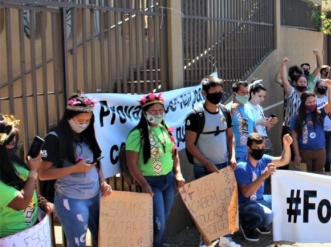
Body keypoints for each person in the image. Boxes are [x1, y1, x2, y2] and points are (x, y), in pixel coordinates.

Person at [39, 95, 111, 247]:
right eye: (80, 121)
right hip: (71, 199)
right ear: (69, 118)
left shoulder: (88, 134)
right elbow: (43, 174)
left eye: (87, 121)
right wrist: (75, 169)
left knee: (104, 239)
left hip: (95, 195)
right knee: (78, 243)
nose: (84, 124)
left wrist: (103, 182)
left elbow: (96, 162)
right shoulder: (55, 138)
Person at [184, 77, 240, 247]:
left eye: (219, 91)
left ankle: (225, 238)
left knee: (226, 202)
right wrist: (207, 163)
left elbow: (230, 136)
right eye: (213, 91)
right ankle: (205, 240)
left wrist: (232, 156)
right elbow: (190, 144)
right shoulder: (195, 114)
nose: (218, 94)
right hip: (203, 167)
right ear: (204, 92)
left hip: (224, 165)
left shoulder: (224, 111)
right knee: (205, 206)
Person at [125, 93, 185, 247]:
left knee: (163, 219)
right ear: (145, 113)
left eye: (160, 110)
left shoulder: (166, 129)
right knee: (157, 223)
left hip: (168, 180)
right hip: (151, 183)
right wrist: (144, 184)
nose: (158, 114)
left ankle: (159, 244)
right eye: (154, 111)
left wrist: (178, 173)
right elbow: (131, 163)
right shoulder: (136, 134)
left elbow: (174, 154)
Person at [0, 115, 54, 238]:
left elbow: (25, 186)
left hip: (34, 231)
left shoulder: (11, 161)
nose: (14, 147)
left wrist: (41, 201)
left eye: (15, 143)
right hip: (13, 237)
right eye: (10, 144)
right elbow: (22, 202)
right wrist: (34, 170)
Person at [236, 133, 292, 242]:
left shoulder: (263, 159)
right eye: (257, 148)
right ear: (249, 148)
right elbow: (246, 193)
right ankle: (247, 225)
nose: (260, 150)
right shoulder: (242, 167)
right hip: (245, 204)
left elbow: (283, 161)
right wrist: (264, 176)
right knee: (269, 216)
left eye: (262, 147)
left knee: (283, 201)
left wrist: (286, 145)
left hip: (259, 199)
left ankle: (259, 222)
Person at [290, 80, 331, 174]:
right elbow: (294, 138)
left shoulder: (320, 112)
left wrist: (330, 87)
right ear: (303, 103)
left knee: (318, 176)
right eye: (309, 102)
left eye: (314, 101)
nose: (312, 104)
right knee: (307, 178)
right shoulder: (297, 117)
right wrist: (297, 155)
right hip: (305, 152)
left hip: (320, 152)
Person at [314, 79, 331, 175]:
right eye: (321, 86)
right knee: (318, 152)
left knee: (328, 155)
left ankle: (328, 174)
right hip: (318, 129)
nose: (323, 88)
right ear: (316, 88)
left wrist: (330, 87)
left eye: (325, 86)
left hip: (330, 130)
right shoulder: (313, 100)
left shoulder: (329, 98)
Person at [248, 82, 278, 152]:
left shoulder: (260, 108)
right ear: (252, 94)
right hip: (254, 143)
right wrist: (258, 122)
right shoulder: (247, 107)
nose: (262, 99)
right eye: (260, 96)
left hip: (262, 141)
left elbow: (265, 129)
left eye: (264, 96)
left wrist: (270, 123)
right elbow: (245, 125)